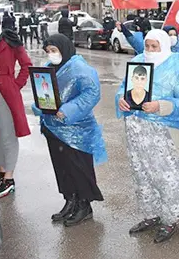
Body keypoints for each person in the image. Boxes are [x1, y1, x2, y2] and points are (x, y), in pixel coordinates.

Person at [116, 29, 179, 243]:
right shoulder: (139, 62)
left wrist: (161, 105)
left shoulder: (176, 65)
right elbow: (124, 87)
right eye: (147, 45)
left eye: (154, 46)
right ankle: (151, 214)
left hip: (164, 132)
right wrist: (121, 98)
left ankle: (171, 218)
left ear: (163, 46)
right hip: (137, 129)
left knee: (166, 175)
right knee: (142, 174)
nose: (149, 50)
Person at [34, 34, 107, 226]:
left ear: (64, 48)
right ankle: (70, 200)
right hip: (53, 128)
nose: (51, 55)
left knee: (79, 168)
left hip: (76, 130)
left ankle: (84, 206)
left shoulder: (80, 68)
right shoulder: (49, 68)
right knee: (63, 168)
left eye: (54, 50)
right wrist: (40, 105)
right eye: (48, 51)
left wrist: (67, 110)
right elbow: (43, 92)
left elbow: (92, 93)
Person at [0, 14, 31, 199]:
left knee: (8, 135)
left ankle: (10, 178)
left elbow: (26, 65)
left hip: (6, 94)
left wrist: (16, 85)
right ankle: (2, 171)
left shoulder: (11, 40)